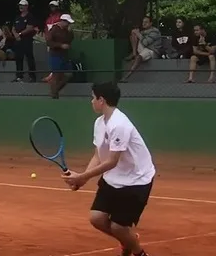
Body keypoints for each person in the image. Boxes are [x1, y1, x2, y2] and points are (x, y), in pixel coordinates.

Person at [63, 82, 156, 256]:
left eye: (93, 97)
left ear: (101, 100)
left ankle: (138, 251)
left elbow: (112, 161)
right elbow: (98, 155)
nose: (91, 101)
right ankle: (128, 238)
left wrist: (82, 176)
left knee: (119, 227)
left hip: (136, 180)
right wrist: (83, 179)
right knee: (97, 219)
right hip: (114, 178)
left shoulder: (119, 124)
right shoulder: (99, 123)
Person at [122, 17, 163, 82]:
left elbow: (145, 43)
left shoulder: (155, 31)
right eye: (143, 22)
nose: (144, 24)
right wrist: (136, 33)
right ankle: (134, 53)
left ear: (151, 23)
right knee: (133, 33)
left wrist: (138, 34)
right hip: (144, 49)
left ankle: (127, 76)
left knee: (139, 57)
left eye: (146, 22)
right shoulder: (143, 31)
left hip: (152, 50)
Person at [45, 14, 75, 98]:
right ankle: (54, 94)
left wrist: (70, 32)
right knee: (56, 75)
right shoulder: (54, 29)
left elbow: (71, 39)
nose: (68, 24)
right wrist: (60, 45)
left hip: (64, 55)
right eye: (67, 23)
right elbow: (49, 42)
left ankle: (55, 91)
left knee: (68, 75)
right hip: (55, 55)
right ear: (62, 21)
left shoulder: (67, 31)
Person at [12, 0, 40, 83]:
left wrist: (20, 34)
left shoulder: (30, 16)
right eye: (20, 5)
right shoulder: (17, 17)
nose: (21, 7)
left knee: (29, 57)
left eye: (23, 5)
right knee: (18, 58)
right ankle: (19, 76)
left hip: (26, 40)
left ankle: (32, 76)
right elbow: (13, 28)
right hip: (18, 40)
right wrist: (15, 35)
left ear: (27, 6)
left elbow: (30, 28)